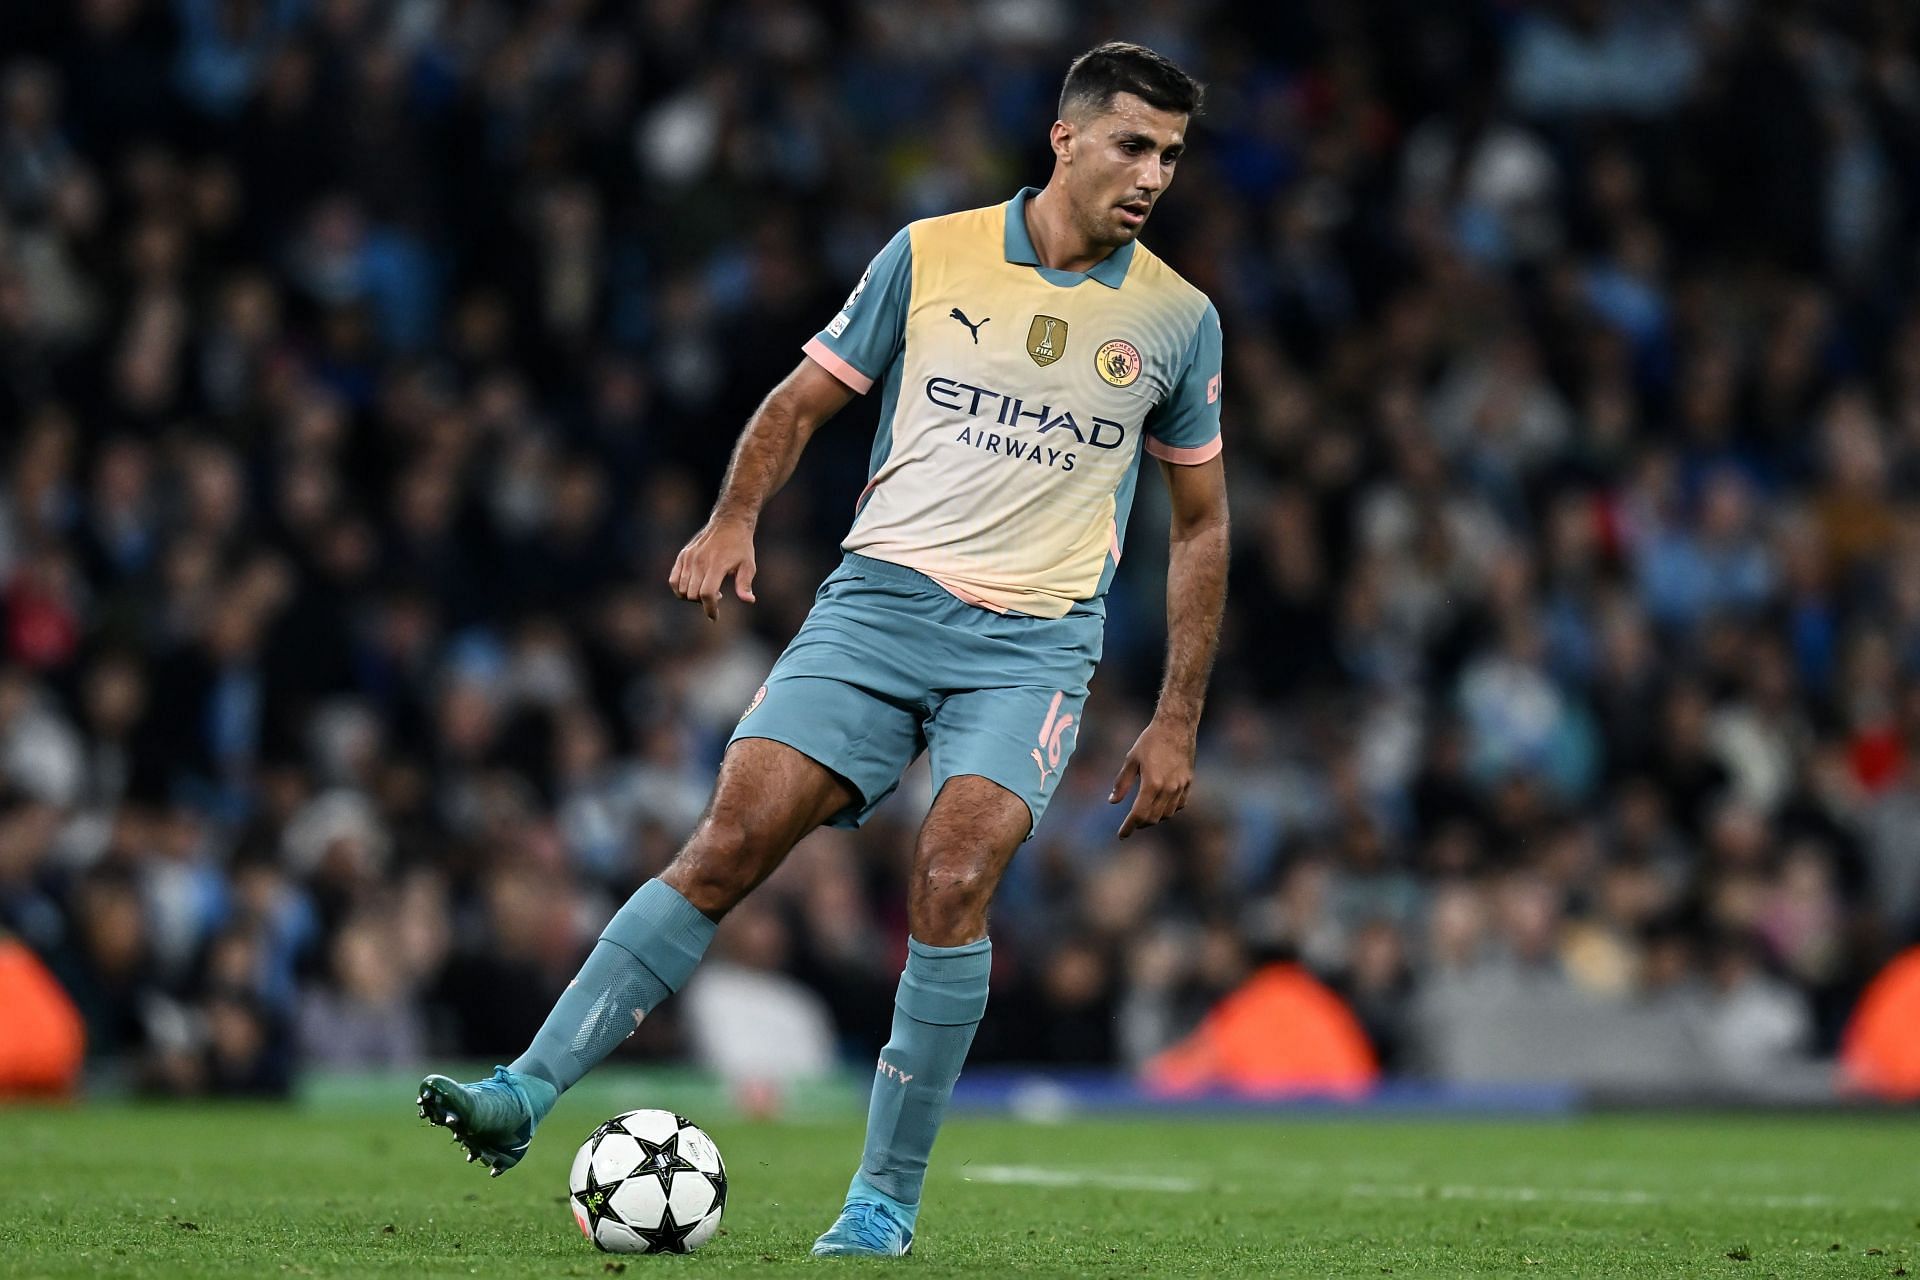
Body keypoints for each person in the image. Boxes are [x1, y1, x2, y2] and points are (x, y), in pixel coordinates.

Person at [416, 41, 1228, 1259]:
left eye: (1170, 153)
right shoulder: (929, 252)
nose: (1154, 172)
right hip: (876, 607)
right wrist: (734, 515)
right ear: (1064, 139)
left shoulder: (1179, 318)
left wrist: (1176, 717)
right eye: (1132, 144)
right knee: (730, 840)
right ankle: (522, 1092)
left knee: (953, 878)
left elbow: (1204, 524)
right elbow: (800, 402)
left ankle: (883, 1200)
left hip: (1033, 643)